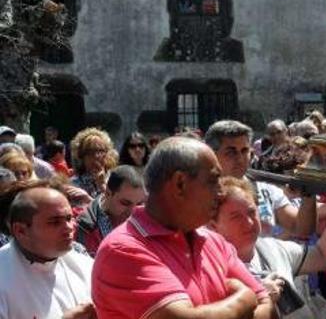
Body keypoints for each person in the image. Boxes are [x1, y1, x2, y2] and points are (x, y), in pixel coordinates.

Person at [91, 136, 273, 319]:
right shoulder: (123, 251)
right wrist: (244, 299)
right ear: (180, 184)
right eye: (213, 180)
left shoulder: (214, 242)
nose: (221, 192)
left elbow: (268, 307)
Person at [210, 168, 326, 319]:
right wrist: (255, 300)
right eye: (236, 217)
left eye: (252, 212)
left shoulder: (271, 248)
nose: (249, 222)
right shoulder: (209, 269)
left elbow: (322, 255)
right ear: (212, 225)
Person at [0, 180, 95, 318]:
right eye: (54, 222)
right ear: (20, 230)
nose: (69, 227)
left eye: (69, 218)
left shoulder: (84, 264)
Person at [205, 120, 313, 239]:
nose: (240, 158)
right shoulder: (199, 196)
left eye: (244, 151)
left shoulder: (266, 190)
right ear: (212, 154)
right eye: (231, 152)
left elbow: (300, 228)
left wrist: (308, 194)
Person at [76, 165, 146, 256]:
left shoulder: (146, 222)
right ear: (108, 193)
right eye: (125, 203)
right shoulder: (83, 226)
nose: (132, 212)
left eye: (139, 204)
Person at [70, 128, 113, 198]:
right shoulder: (73, 184)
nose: (96, 156)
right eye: (90, 152)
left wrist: (102, 186)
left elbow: (116, 207)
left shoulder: (117, 180)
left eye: (101, 151)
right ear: (81, 156)